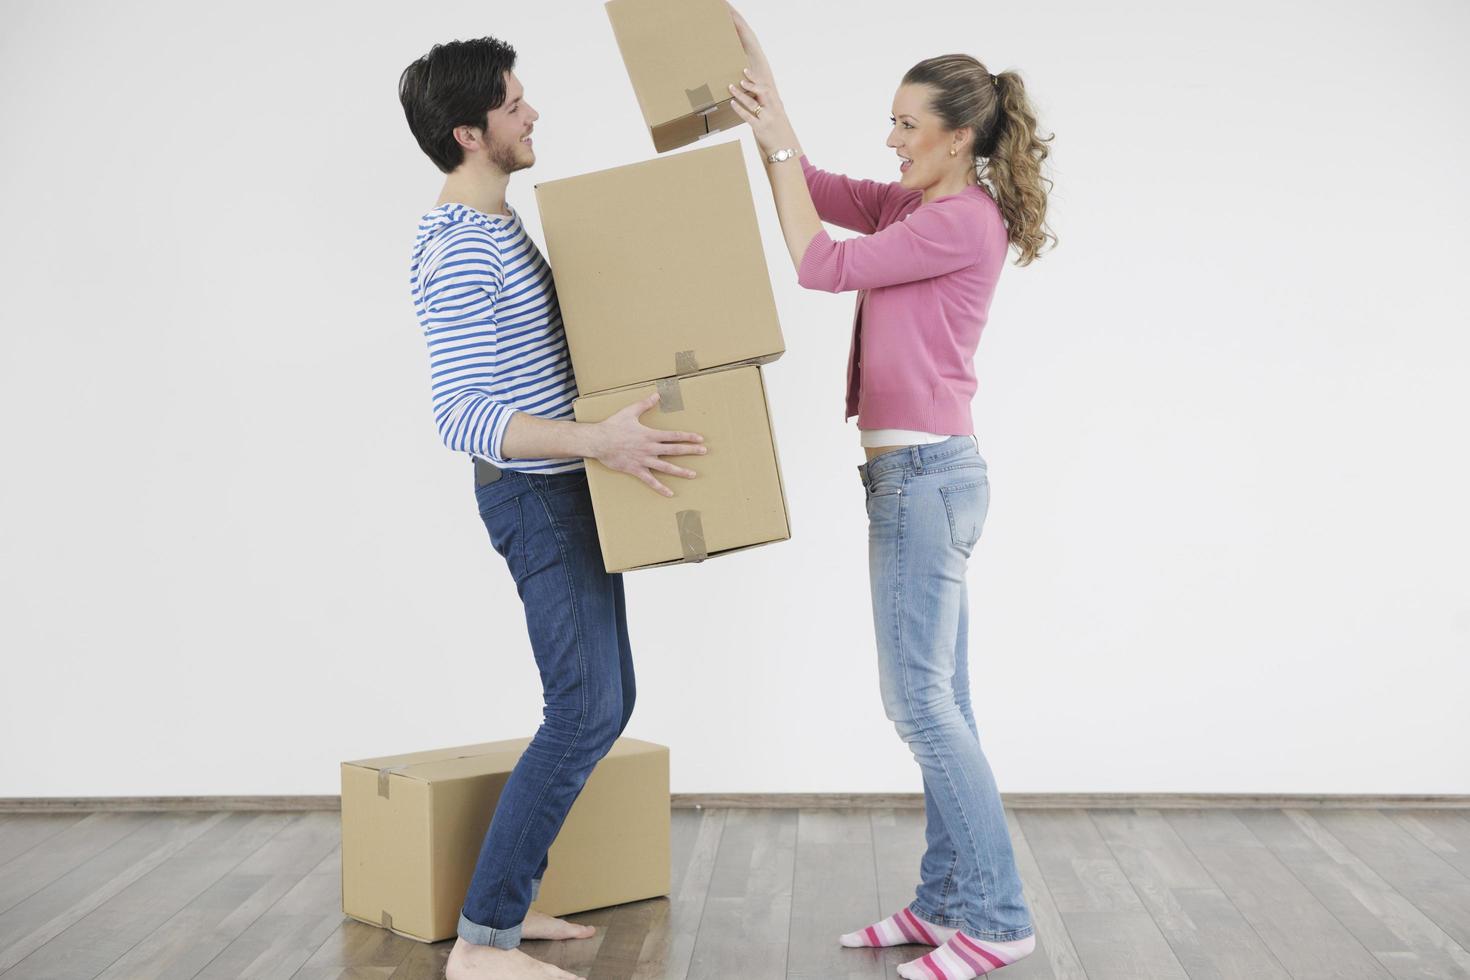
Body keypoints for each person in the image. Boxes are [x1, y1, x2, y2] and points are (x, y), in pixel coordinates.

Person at [725, 7, 1056, 978]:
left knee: (917, 703)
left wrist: (781, 149)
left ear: (958, 136)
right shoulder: (920, 205)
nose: (892, 139)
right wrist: (765, 103)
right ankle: (945, 897)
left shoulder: (961, 218)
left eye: (907, 125)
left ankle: (996, 916)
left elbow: (818, 260)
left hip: (924, 478)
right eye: (892, 122)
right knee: (941, 696)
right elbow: (817, 187)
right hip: (913, 477)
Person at [399, 37, 707, 980]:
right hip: (537, 500)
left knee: (608, 704)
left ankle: (506, 898)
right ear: (469, 132)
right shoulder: (460, 248)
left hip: (572, 491)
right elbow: (463, 416)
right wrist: (598, 442)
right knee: (582, 710)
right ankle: (482, 945)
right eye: (515, 105)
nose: (533, 115)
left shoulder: (500, 228)